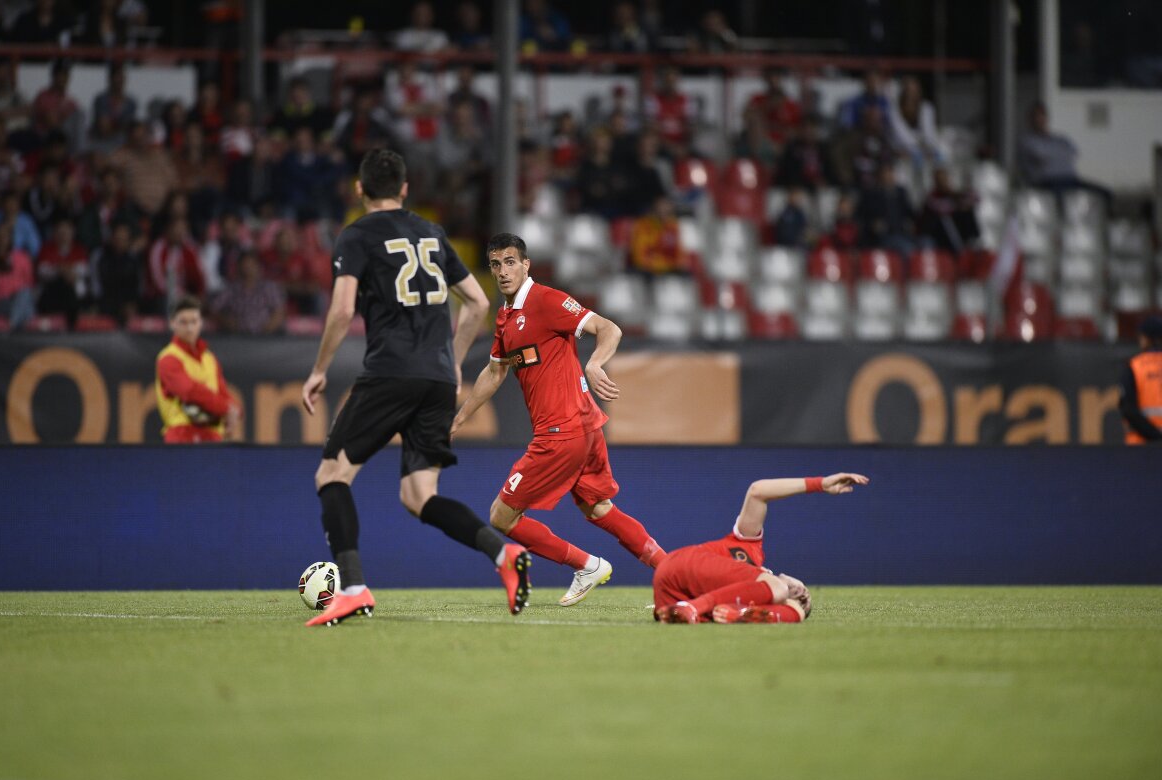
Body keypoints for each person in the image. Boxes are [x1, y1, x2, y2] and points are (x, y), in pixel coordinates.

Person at [300, 149, 530, 627]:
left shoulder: (357, 234)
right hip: (437, 377)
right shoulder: (431, 232)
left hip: (390, 371)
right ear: (404, 189)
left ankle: (355, 588)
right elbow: (476, 302)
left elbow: (342, 311)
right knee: (419, 495)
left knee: (331, 476)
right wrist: (454, 359)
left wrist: (319, 370)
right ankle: (502, 554)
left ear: (360, 190)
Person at [451, 233, 667, 607]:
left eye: (510, 262)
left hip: (561, 432)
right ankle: (673, 574)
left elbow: (609, 328)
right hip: (584, 428)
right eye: (495, 264)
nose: (503, 271)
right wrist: (459, 419)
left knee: (501, 516)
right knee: (598, 509)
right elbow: (494, 372)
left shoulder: (546, 300)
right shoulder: (505, 317)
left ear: (526, 265)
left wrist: (595, 362)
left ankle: (586, 565)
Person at [654, 472, 869, 624]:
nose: (798, 589)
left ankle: (690, 610)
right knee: (776, 588)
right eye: (801, 589)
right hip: (686, 562)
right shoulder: (750, 549)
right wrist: (820, 484)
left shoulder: (735, 597)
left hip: (670, 587)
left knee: (714, 615)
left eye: (800, 594)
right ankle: (692, 608)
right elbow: (758, 491)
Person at [155, 296, 241, 443]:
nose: (189, 328)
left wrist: (235, 410)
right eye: (183, 322)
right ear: (172, 324)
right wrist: (226, 408)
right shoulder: (168, 358)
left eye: (194, 321)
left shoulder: (209, 359)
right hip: (182, 435)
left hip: (212, 436)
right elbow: (189, 392)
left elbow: (223, 392)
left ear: (201, 323)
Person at [1119, 316, 1162, 445]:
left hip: (1140, 447)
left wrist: (1156, 436)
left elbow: (1128, 410)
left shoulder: (1135, 367)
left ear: (1147, 339)